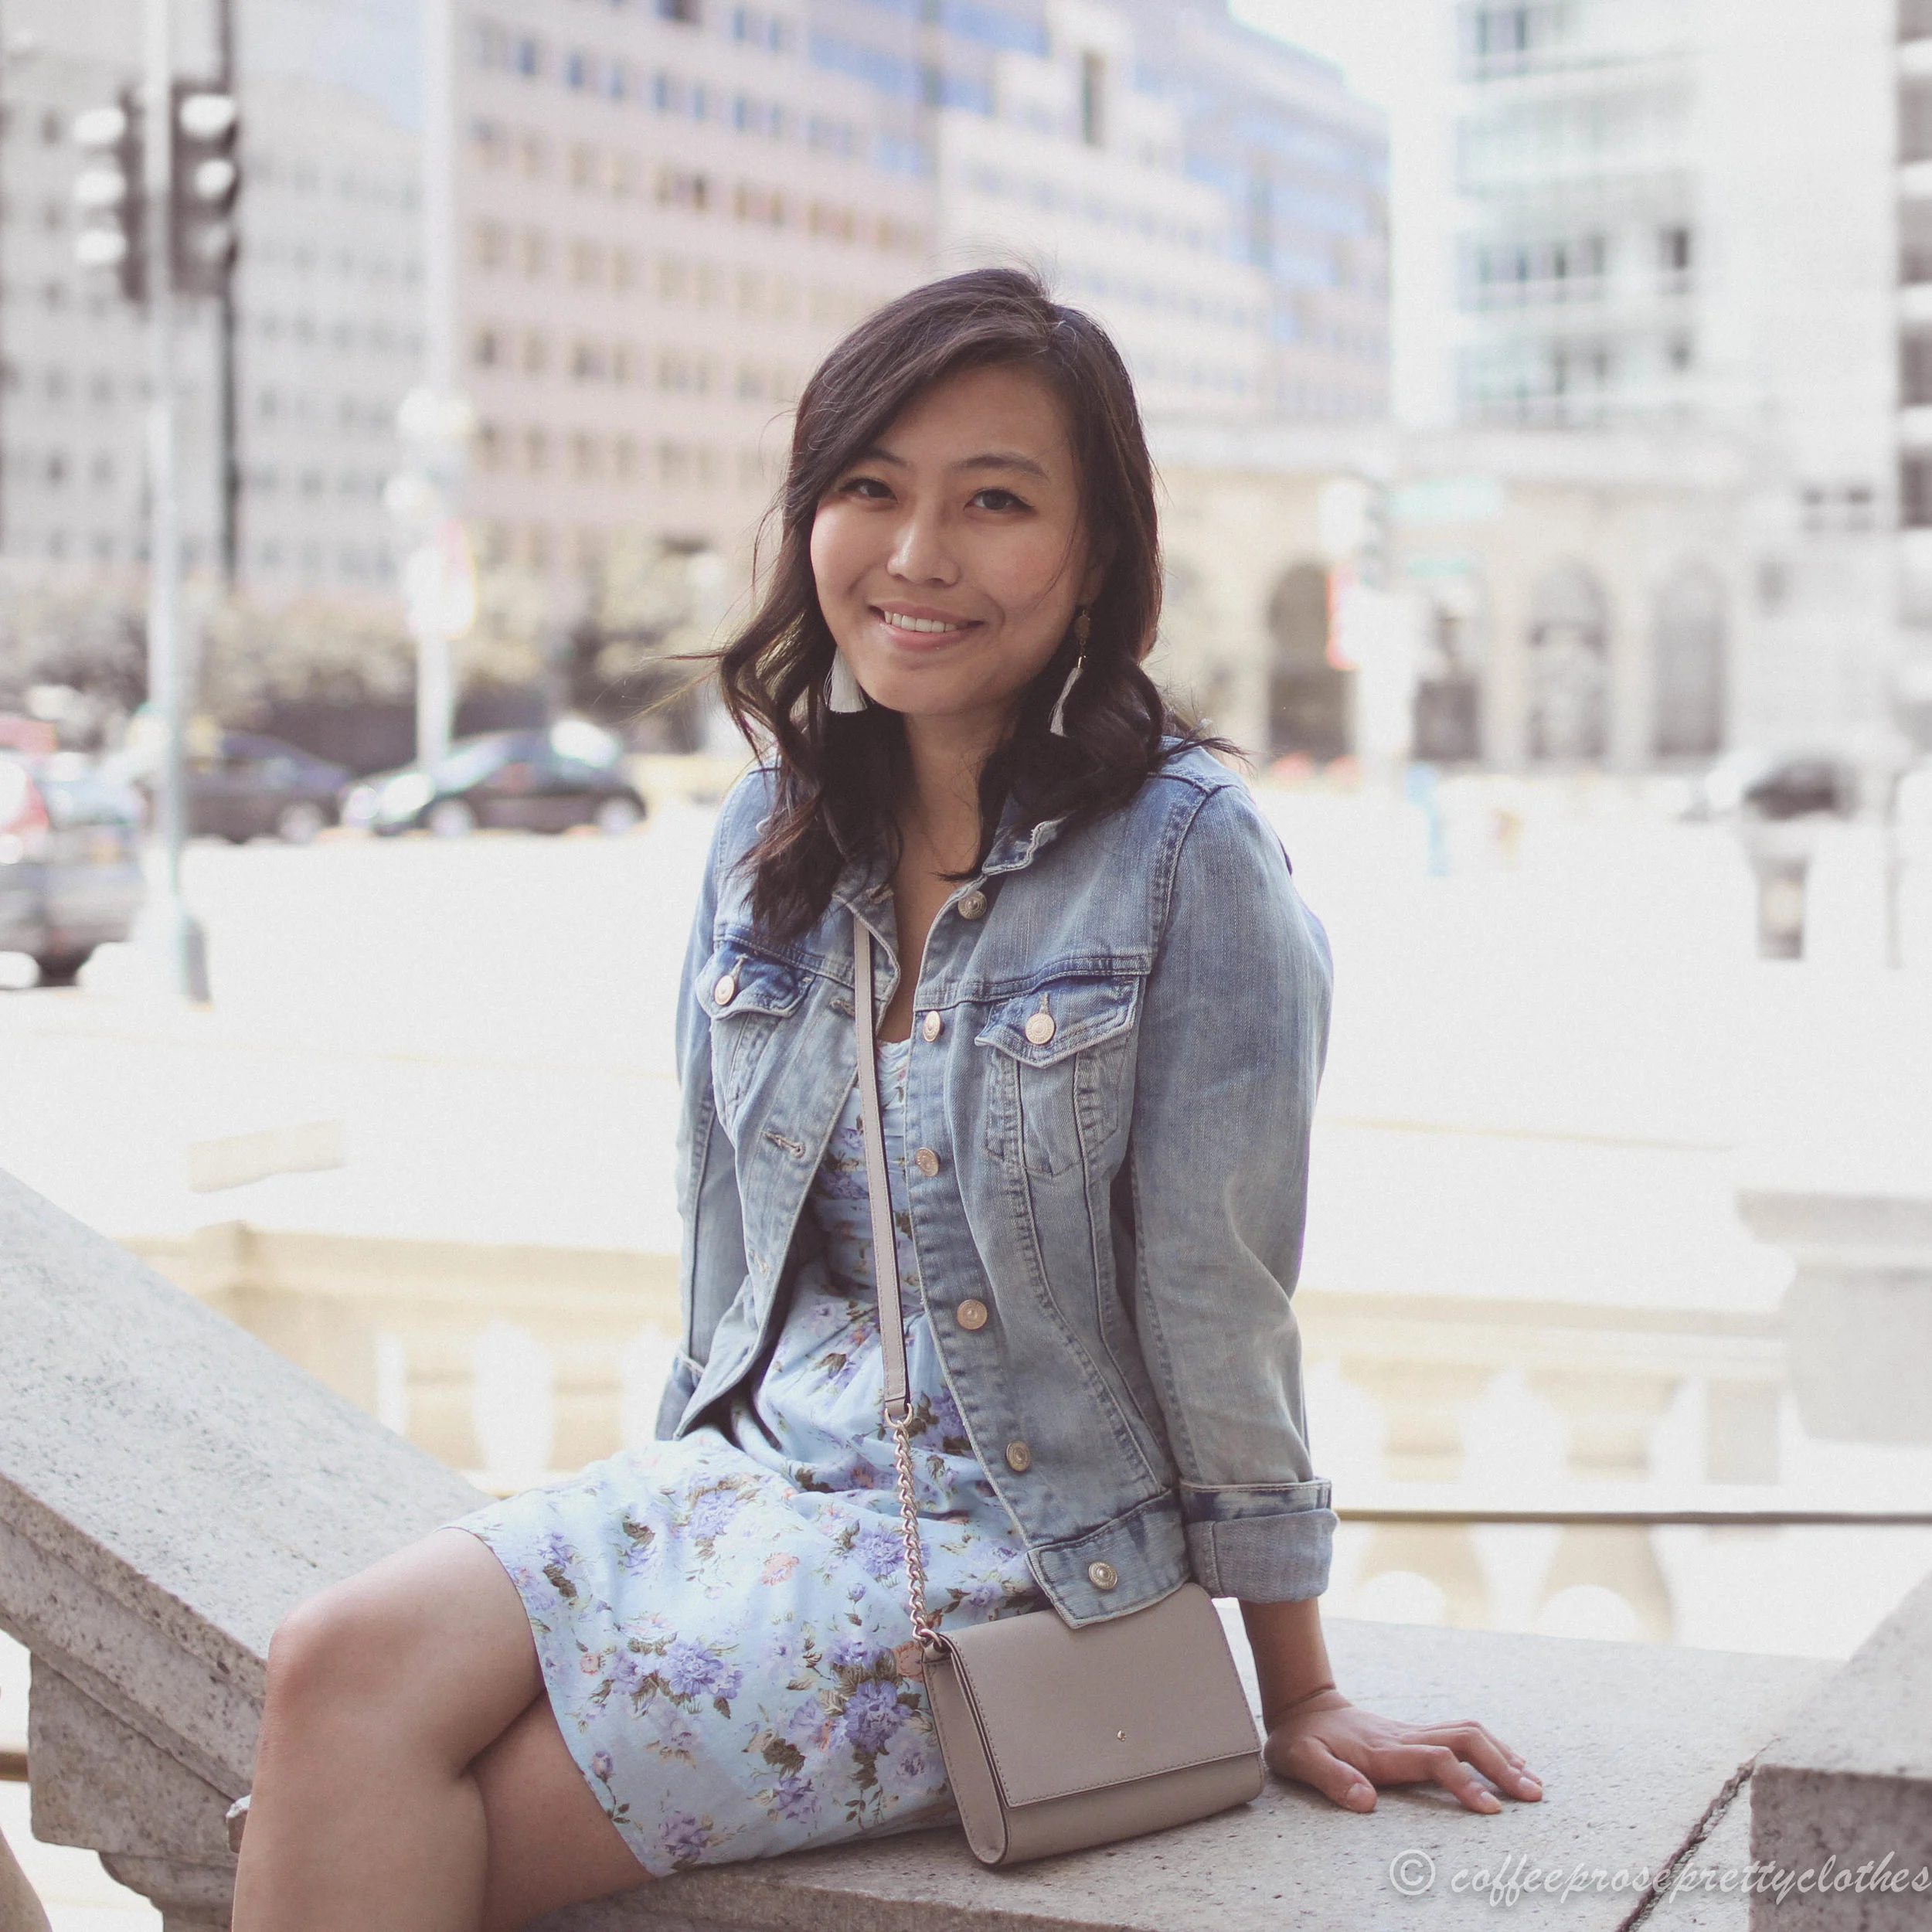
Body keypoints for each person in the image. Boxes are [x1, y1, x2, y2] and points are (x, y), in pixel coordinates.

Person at [231, 268, 1539, 1932]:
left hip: (1012, 1555)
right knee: (330, 1658)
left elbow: (1221, 1295)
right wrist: (658, 1549)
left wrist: (1288, 1686)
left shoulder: (1186, 856)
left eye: (993, 501)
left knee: (429, 1830)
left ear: (1093, 557)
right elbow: (723, 1246)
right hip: (751, 1472)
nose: (917, 554)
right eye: (870, 487)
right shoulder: (766, 835)